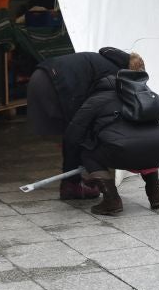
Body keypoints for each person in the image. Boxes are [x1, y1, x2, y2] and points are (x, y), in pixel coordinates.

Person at [26, 46, 140, 199]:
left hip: (40, 75)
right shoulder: (115, 75)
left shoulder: (107, 60)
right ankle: (71, 185)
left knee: (75, 132)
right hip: (56, 84)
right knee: (78, 132)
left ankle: (77, 180)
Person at [63, 61, 159, 215]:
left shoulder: (97, 99)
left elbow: (73, 133)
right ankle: (156, 195)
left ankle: (111, 200)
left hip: (124, 149)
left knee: (88, 153)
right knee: (146, 145)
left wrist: (71, 159)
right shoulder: (145, 94)